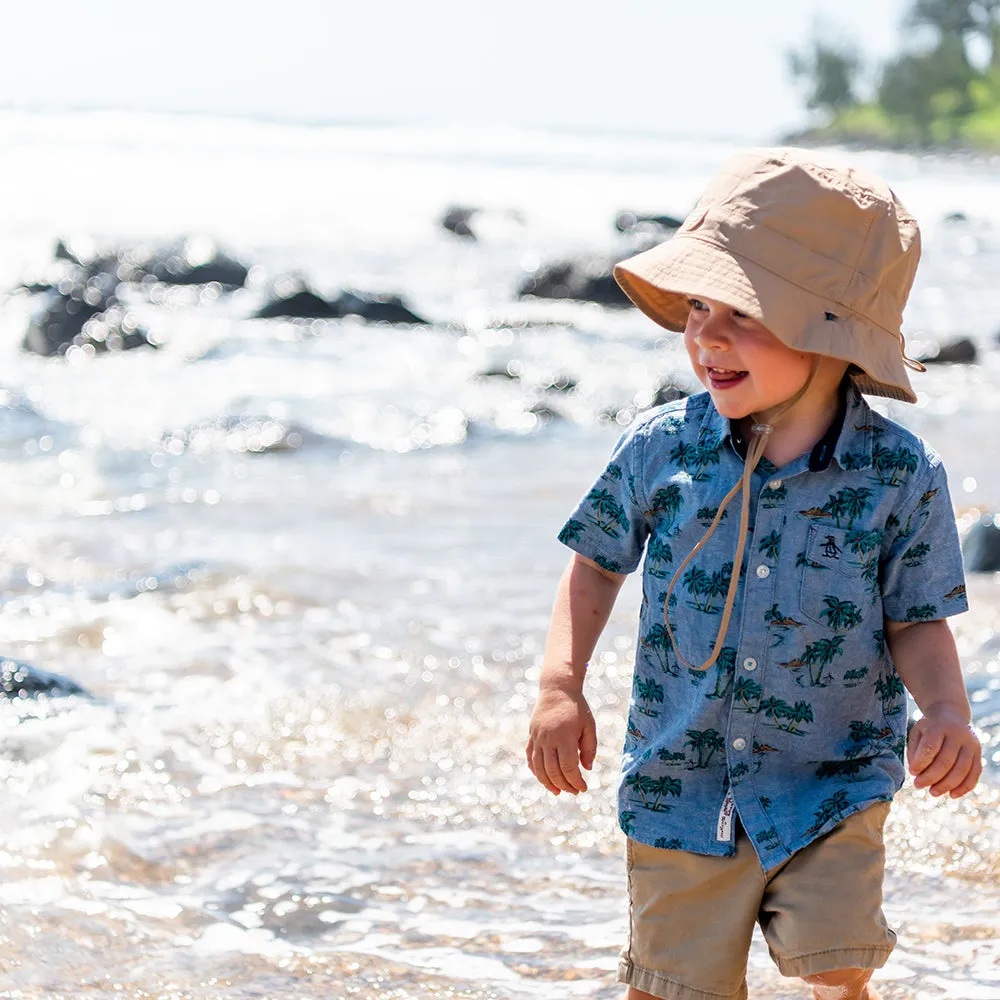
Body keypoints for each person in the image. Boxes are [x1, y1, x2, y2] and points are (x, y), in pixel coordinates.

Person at [525, 148, 983, 1000]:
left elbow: (916, 618)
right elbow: (593, 567)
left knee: (841, 960)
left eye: (744, 310)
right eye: (699, 305)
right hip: (681, 782)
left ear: (832, 330)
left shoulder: (897, 474)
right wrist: (561, 685)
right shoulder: (662, 447)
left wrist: (947, 711)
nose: (707, 334)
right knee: (672, 985)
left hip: (833, 778)